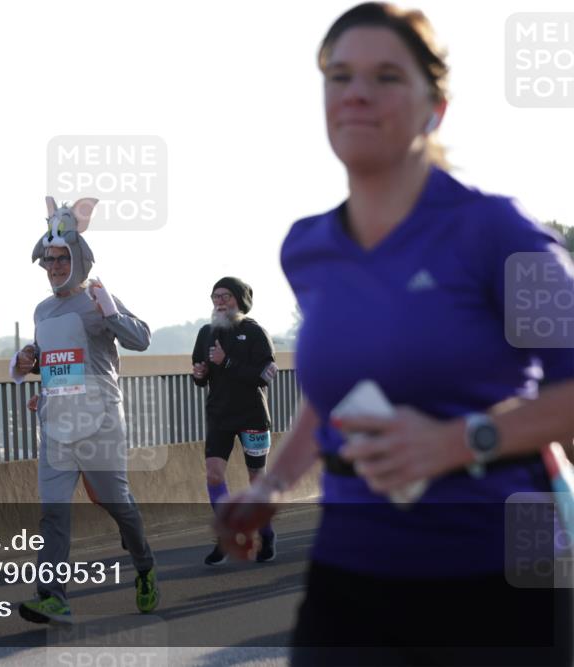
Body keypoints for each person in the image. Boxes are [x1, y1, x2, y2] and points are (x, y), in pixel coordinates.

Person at [215, 3, 574, 665]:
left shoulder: (495, 233)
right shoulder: (308, 248)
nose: (356, 92)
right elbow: (335, 395)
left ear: (434, 106)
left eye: (385, 76)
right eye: (340, 75)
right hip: (350, 578)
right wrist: (270, 487)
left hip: (499, 579)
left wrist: (458, 439)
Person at [11, 196, 159, 624]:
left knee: (118, 505)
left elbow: (141, 339)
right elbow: (55, 357)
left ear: (79, 259)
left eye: (61, 259)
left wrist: (111, 311)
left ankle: (145, 567)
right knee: (53, 512)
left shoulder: (98, 298)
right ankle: (52, 595)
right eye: (49, 260)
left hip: (101, 424)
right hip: (57, 426)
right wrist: (29, 360)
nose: (54, 267)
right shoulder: (41, 310)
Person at [191, 277, 277, 565]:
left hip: (252, 414)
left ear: (240, 301)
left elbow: (265, 375)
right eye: (215, 297)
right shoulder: (206, 333)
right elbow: (199, 376)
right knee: (214, 475)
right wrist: (200, 374)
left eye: (225, 296)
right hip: (219, 415)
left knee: (256, 480)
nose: (219, 302)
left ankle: (265, 534)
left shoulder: (254, 333)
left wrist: (226, 362)